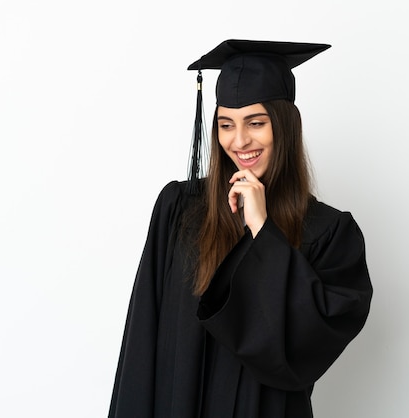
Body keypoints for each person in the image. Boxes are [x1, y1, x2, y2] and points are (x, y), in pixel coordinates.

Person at [108, 39, 373, 418]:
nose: (240, 140)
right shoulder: (179, 207)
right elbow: (142, 341)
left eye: (256, 122)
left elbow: (305, 349)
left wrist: (263, 230)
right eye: (226, 124)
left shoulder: (331, 232)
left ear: (284, 125)